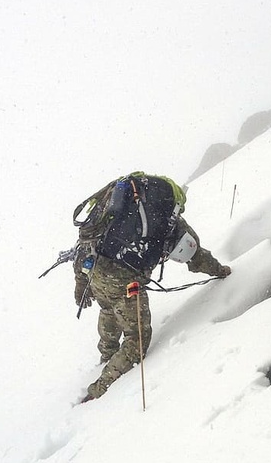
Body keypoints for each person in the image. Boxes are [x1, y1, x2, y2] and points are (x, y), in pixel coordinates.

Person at [73, 172, 231, 402]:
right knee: (136, 341)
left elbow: (85, 241)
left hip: (95, 267)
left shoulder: (119, 207)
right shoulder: (168, 220)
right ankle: (99, 390)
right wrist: (220, 270)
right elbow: (195, 255)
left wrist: (81, 282)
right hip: (126, 279)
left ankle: (106, 355)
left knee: (108, 308)